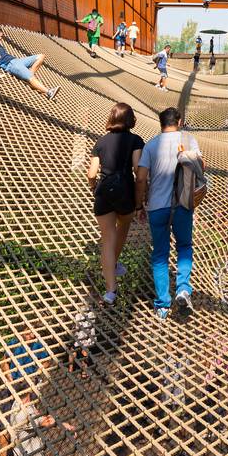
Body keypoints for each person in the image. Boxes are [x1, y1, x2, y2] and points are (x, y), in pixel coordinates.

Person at [141, 107, 205, 319]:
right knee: (184, 246)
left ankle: (162, 306)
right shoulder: (188, 139)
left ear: (161, 123)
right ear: (179, 121)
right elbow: (201, 166)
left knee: (160, 255)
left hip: (157, 207)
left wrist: (139, 203)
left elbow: (141, 177)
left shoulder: (151, 145)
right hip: (181, 206)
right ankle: (183, 289)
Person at [87, 103, 145, 305]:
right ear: (131, 120)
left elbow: (92, 173)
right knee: (124, 225)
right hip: (125, 193)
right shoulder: (136, 140)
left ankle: (111, 291)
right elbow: (138, 171)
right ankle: (115, 264)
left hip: (104, 193)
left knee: (107, 240)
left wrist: (94, 187)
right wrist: (140, 203)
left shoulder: (100, 142)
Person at [0, 27, 61, 99]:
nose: (2, 38)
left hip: (17, 61)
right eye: (1, 36)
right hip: (11, 65)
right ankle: (49, 92)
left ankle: (29, 77)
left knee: (41, 56)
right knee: (30, 77)